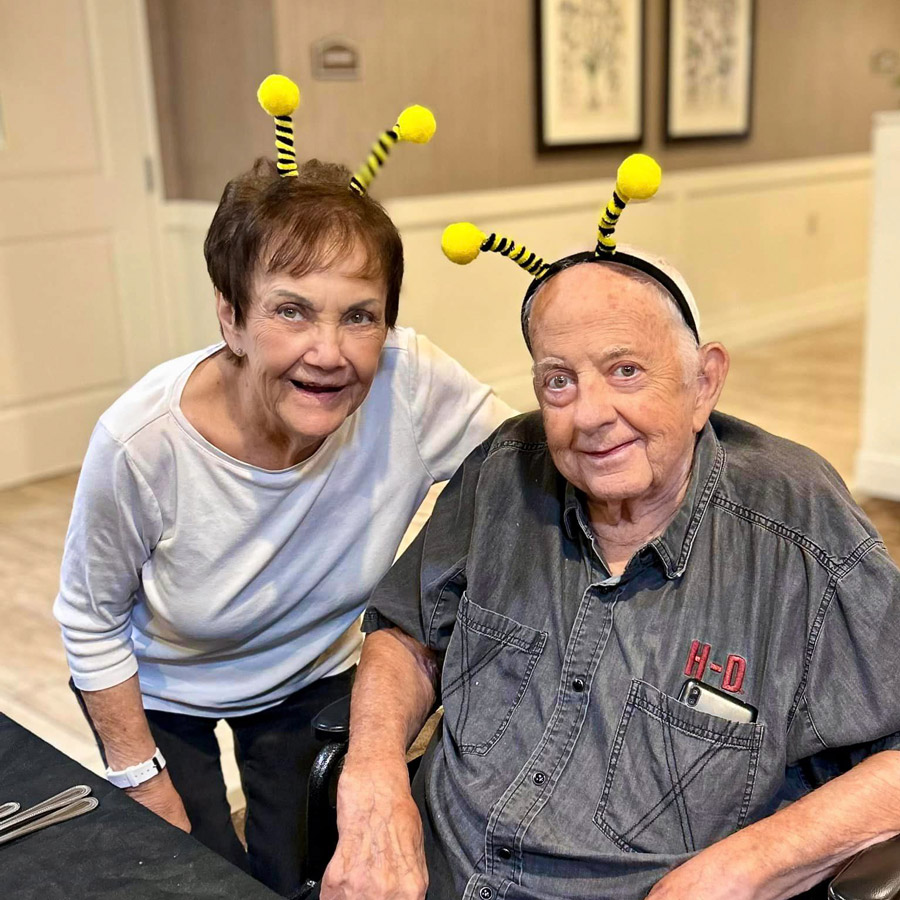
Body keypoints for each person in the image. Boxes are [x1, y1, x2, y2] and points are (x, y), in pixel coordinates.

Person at [322, 156, 900, 900]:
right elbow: (406, 628)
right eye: (558, 379)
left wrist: (743, 867)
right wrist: (373, 778)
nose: (589, 414)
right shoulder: (505, 470)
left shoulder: (798, 531)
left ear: (704, 383)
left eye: (625, 370)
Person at [53, 75, 513, 898]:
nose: (329, 352)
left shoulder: (410, 386)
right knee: (192, 873)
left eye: (360, 315)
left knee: (293, 870)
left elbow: (528, 468)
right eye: (291, 311)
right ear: (230, 318)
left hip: (313, 671)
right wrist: (139, 777)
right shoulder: (142, 443)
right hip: (169, 684)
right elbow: (87, 618)